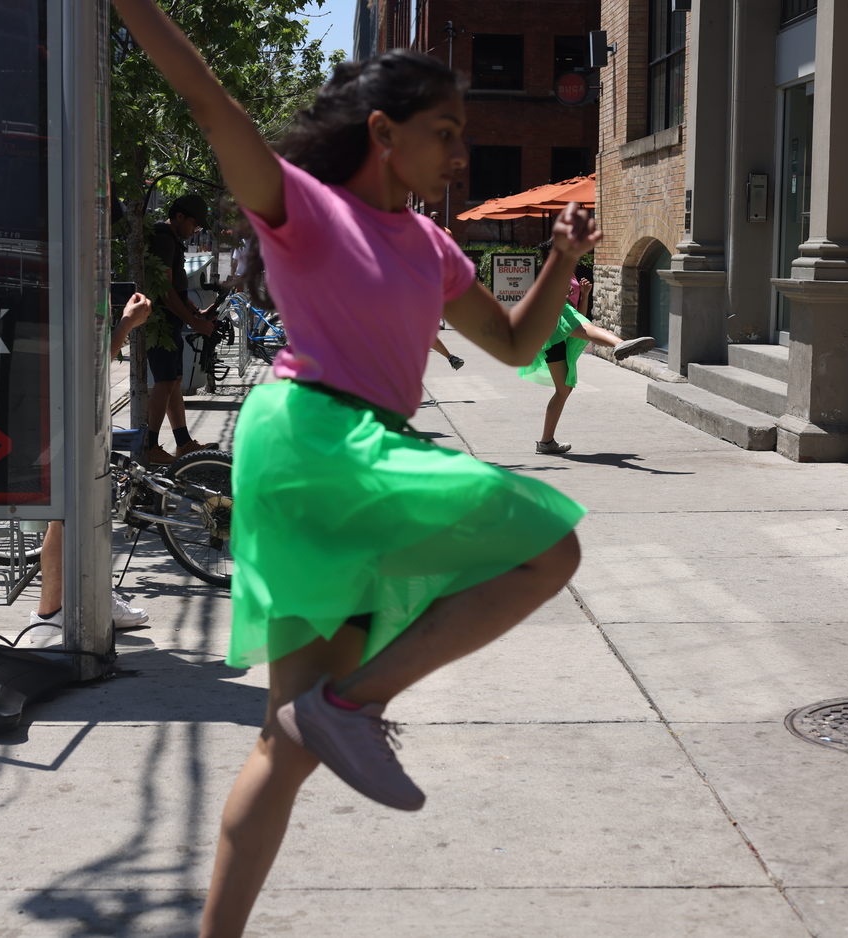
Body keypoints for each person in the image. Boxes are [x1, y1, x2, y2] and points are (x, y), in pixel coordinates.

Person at [111, 4, 599, 936]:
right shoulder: (305, 208)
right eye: (445, 133)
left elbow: (515, 343)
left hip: (346, 458)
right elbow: (209, 102)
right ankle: (353, 703)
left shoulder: (432, 246)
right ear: (384, 133)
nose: (460, 154)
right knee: (548, 547)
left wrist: (562, 260)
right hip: (317, 440)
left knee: (283, 741)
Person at [25, 292, 155, 646]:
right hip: (62, 409)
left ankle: (89, 597)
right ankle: (49, 613)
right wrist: (126, 323)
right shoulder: (70, 281)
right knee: (67, 512)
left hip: (67, 408)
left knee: (86, 508)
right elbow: (92, 367)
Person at [520, 275, 655, 455]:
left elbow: (581, 316)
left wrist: (584, 295)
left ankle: (546, 442)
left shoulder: (569, 272)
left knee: (564, 389)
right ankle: (619, 344)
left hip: (555, 326)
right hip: (555, 316)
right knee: (588, 329)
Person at [146, 194, 219, 465]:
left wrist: (195, 311)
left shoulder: (172, 239)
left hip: (170, 321)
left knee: (174, 380)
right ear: (179, 216)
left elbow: (176, 287)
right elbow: (165, 290)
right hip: (161, 323)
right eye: (195, 225)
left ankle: (183, 443)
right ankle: (150, 446)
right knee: (165, 381)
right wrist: (194, 321)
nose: (195, 231)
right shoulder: (163, 237)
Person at [426, 212, 462, 368]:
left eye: (436, 217)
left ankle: (451, 357)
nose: (434, 219)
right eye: (432, 217)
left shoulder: (446, 232)